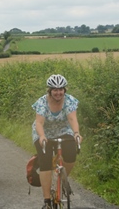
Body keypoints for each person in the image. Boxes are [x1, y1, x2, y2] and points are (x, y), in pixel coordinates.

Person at [31, 74, 83, 209]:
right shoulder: (42, 102)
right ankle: (47, 201)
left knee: (71, 156)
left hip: (64, 130)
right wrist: (42, 136)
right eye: (55, 89)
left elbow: (72, 119)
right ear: (50, 90)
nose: (58, 92)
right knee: (45, 162)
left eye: (61, 89)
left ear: (64, 90)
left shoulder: (69, 101)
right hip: (44, 133)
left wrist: (76, 133)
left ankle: (61, 179)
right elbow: (39, 123)